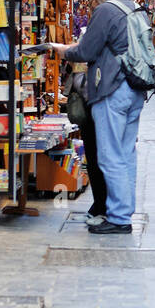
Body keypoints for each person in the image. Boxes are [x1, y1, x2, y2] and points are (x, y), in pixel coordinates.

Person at [45, 0, 148, 234]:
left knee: (110, 155)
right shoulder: (133, 8)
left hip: (112, 89)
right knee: (126, 154)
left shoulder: (106, 10)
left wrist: (61, 50)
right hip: (135, 89)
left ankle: (118, 217)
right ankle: (123, 211)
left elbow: (86, 50)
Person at [62, 68, 108, 227]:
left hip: (98, 99)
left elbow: (86, 53)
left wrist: (72, 51)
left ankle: (104, 209)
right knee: (93, 158)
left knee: (99, 159)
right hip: (89, 100)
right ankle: (98, 207)